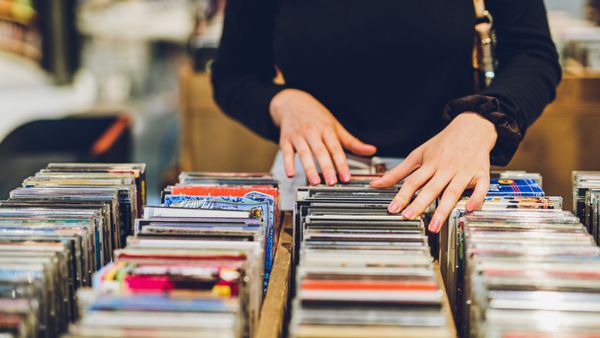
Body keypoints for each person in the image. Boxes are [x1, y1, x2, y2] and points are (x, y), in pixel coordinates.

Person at [210, 0, 561, 233]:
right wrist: (283, 102)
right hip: (312, 186)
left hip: (448, 184)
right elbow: (234, 73)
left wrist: (483, 118)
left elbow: (533, 54)